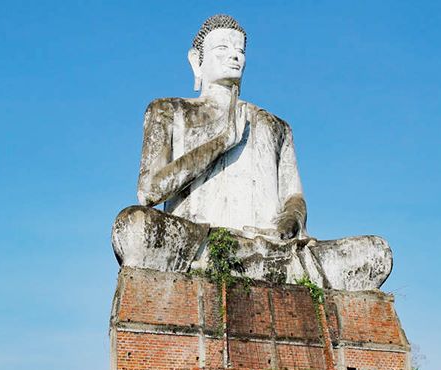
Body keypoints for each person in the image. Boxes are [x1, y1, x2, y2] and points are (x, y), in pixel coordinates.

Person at [112, 14, 392, 290]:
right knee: (134, 226)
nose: (234, 57)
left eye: (240, 50)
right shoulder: (168, 111)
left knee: (375, 252)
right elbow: (149, 191)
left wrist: (289, 222)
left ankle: (263, 264)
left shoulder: (274, 125)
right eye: (222, 48)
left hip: (271, 248)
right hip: (201, 242)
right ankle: (245, 262)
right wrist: (222, 141)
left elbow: (294, 197)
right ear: (196, 60)